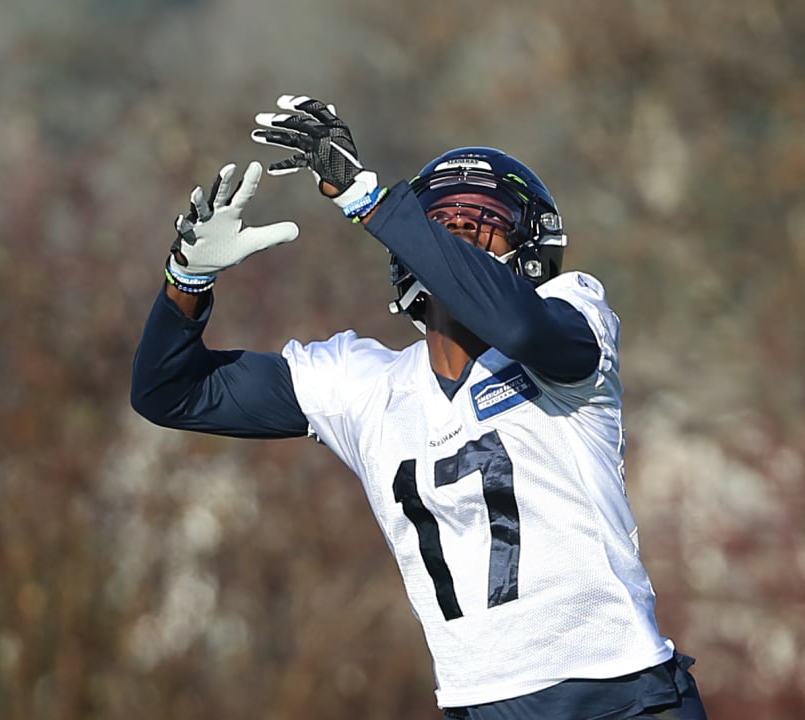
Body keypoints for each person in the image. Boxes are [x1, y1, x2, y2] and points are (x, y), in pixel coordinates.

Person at [131, 94, 708, 720]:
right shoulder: (363, 387)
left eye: (482, 223)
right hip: (479, 705)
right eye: (442, 226)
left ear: (531, 249)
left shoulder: (574, 321)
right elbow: (169, 392)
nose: (456, 237)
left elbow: (518, 325)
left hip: (621, 693)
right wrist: (185, 284)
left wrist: (372, 201)